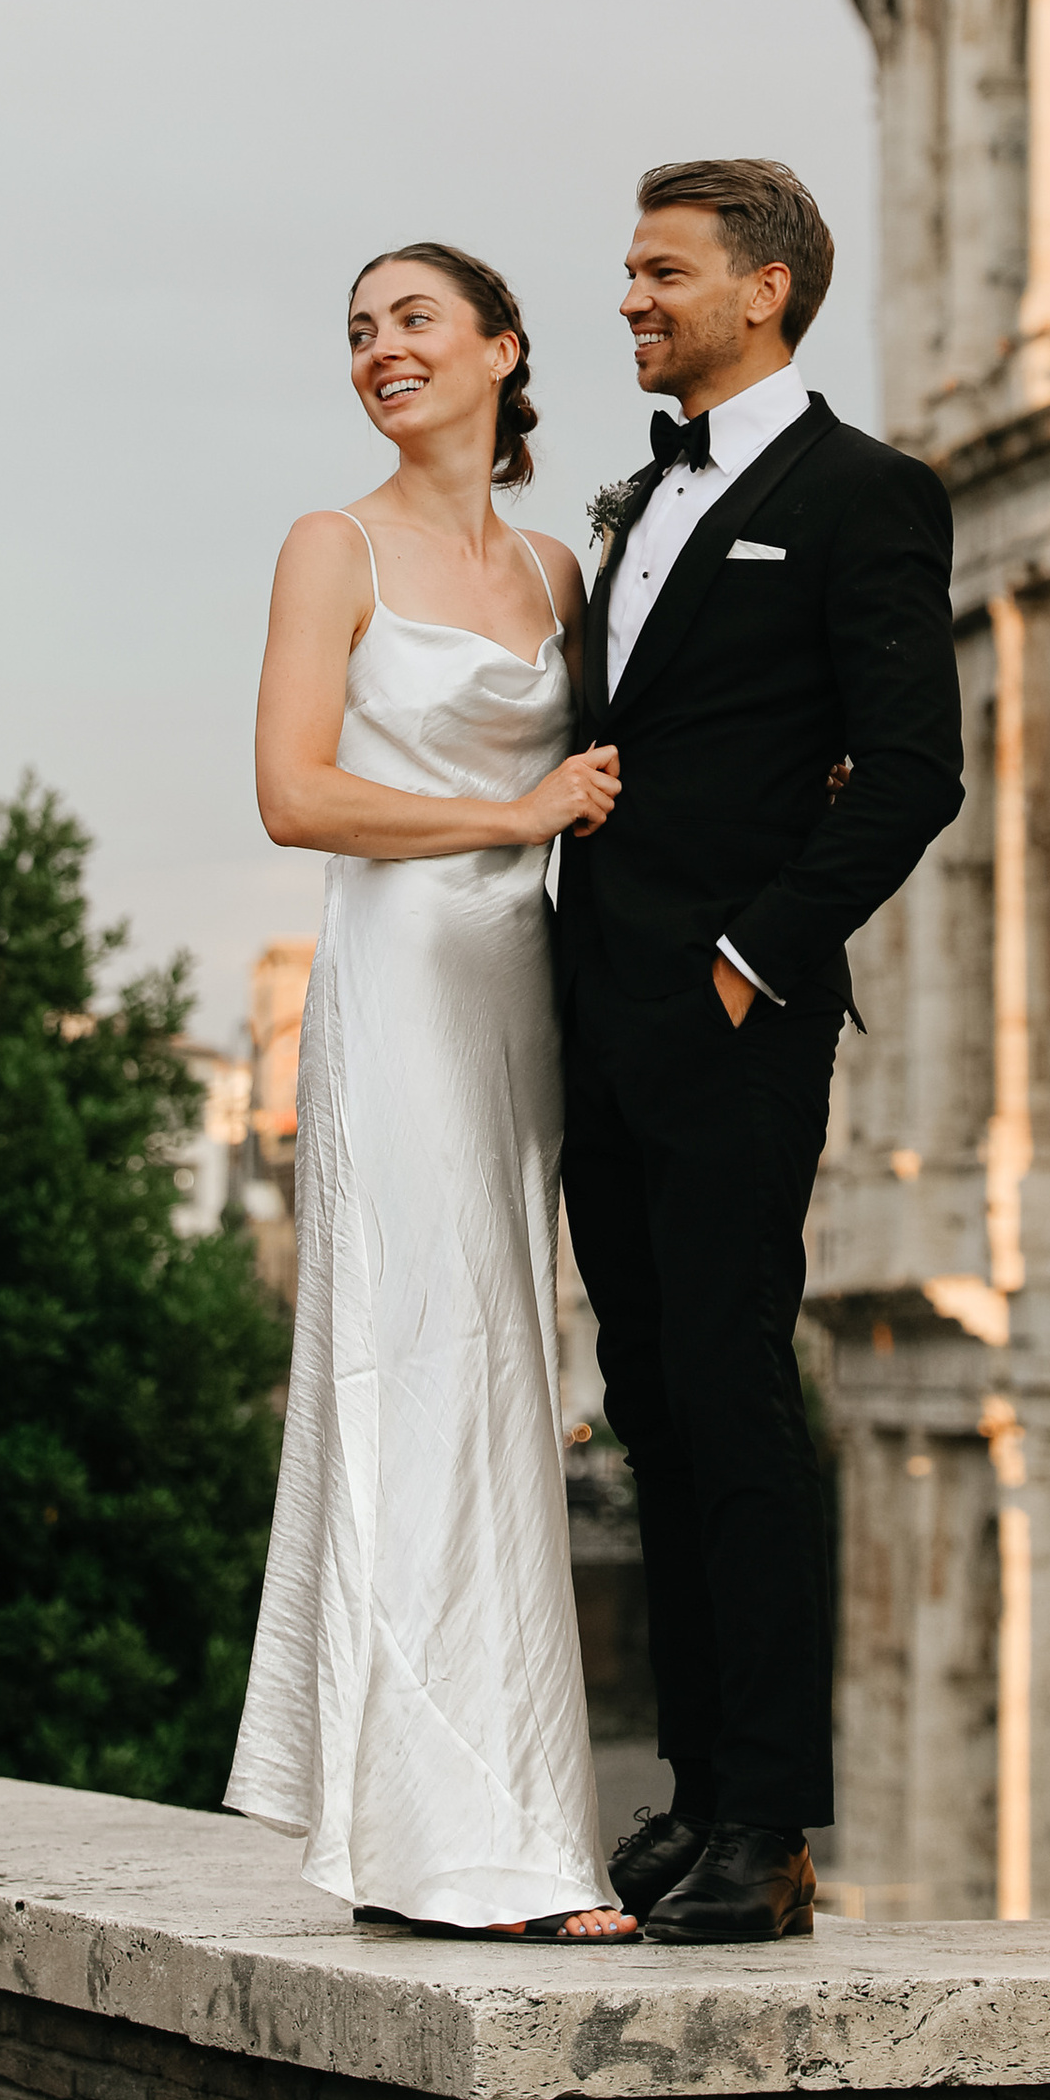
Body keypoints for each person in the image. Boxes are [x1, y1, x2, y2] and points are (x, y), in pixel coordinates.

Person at [558, 158, 962, 1946]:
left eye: (663, 274)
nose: (632, 301)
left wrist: (750, 960)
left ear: (767, 290)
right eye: (630, 275)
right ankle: (700, 1796)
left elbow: (914, 771)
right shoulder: (640, 493)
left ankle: (775, 1831)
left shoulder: (872, 497)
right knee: (649, 1403)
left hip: (731, 1021)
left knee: (734, 1404)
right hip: (595, 1016)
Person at [226, 242, 635, 1940]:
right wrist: (512, 817)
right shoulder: (334, 544)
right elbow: (293, 795)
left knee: (507, 1375)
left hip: (514, 998)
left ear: (501, 348)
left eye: (410, 322)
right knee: (413, 1372)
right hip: (394, 989)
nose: (378, 353)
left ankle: (465, 1826)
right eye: (355, 333)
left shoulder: (556, 565)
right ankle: (469, 1849)